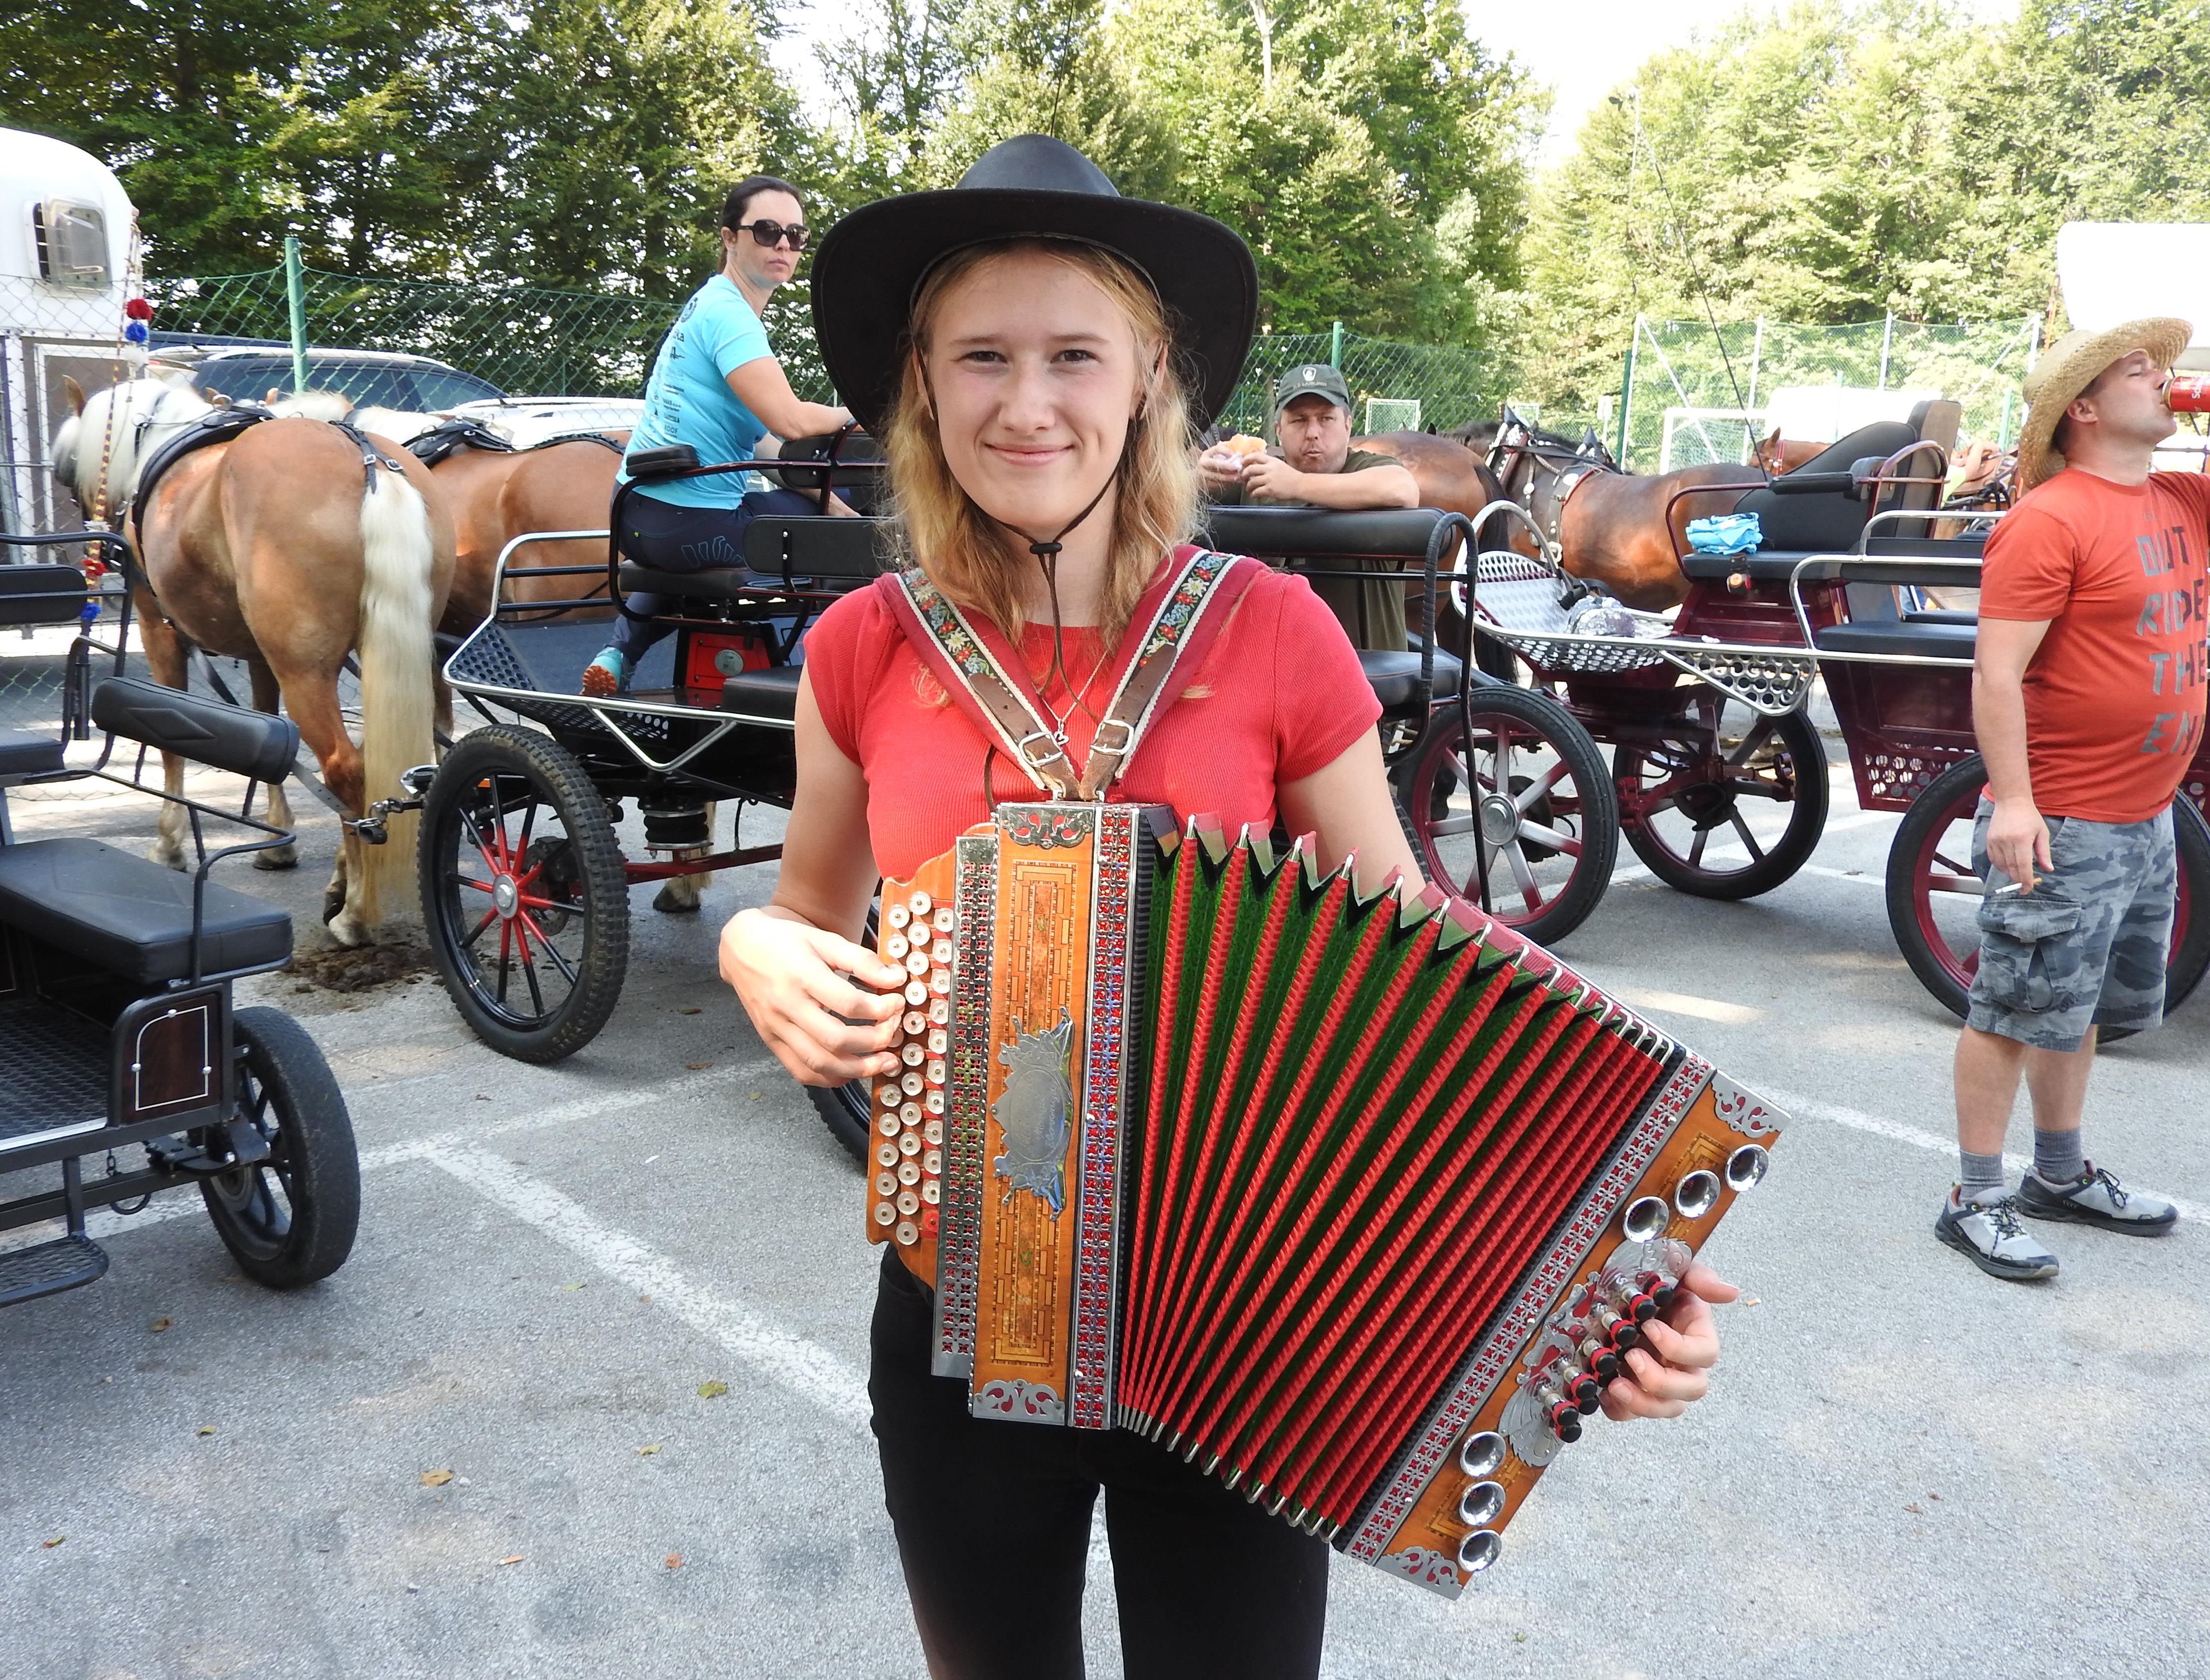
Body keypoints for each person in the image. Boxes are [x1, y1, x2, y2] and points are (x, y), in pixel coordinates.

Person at [716, 134, 1735, 1678]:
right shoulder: (863, 647)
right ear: (922, 384)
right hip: (958, 1319)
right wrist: (753, 945)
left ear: (1148, 382)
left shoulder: (1271, 631)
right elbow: (805, 906)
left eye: (1075, 354)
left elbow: (1427, 975)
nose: (1029, 402)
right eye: (982, 356)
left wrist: (1616, 1276)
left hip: (1250, 1338)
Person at [1934, 319, 2203, 1280]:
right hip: (2063, 818)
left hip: (2147, 812)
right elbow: (1995, 673)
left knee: (2073, 1005)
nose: (2164, 380)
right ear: (2081, 409)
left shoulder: (2179, 499)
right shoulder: (2048, 519)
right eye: (2140, 371)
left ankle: (2056, 1174)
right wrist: (2013, 803)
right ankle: (1973, 1199)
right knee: (2009, 1009)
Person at [582, 174, 857, 697]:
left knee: (832, 508)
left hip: (637, 517)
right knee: (846, 537)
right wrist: (860, 415)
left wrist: (830, 503)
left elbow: (766, 447)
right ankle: (829, 669)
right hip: (689, 525)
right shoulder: (731, 318)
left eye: (796, 235)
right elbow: (793, 424)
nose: (783, 245)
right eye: (767, 231)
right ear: (730, 237)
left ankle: (618, 655)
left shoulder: (709, 304)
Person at [1196, 364, 1420, 651]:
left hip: (1367, 668)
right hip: (1273, 664)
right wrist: (1197, 478)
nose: (1313, 433)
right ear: (1279, 431)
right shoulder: (1254, 474)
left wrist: (1297, 484)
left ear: (1348, 425)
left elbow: (1403, 487)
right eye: (1299, 420)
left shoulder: (1367, 467)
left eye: (1326, 419)